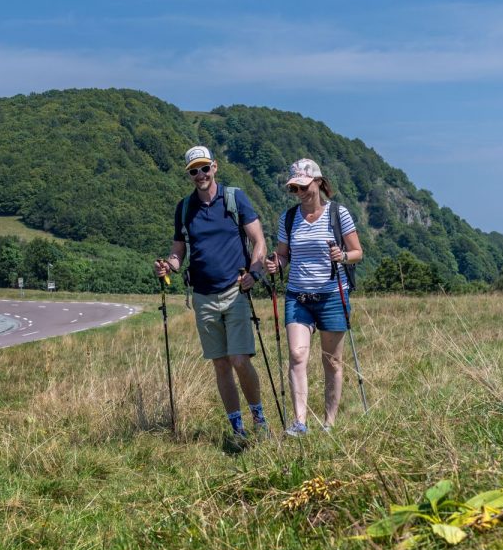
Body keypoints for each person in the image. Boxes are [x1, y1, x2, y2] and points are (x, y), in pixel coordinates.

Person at [154, 145, 269, 439]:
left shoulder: (234, 198)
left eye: (204, 168)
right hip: (203, 296)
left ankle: (259, 419)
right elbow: (179, 252)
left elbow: (259, 241)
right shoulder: (184, 208)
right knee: (220, 364)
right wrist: (168, 266)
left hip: (235, 291)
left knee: (240, 360)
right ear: (189, 175)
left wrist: (255, 273)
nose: (200, 175)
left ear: (215, 167)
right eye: (194, 171)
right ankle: (237, 428)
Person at [265, 158, 363, 436]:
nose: (300, 192)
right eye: (294, 188)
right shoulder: (288, 218)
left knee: (332, 362)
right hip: (297, 297)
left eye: (304, 186)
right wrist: (276, 264)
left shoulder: (338, 214)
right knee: (297, 356)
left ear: (319, 183)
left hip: (332, 295)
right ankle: (300, 422)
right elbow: (283, 255)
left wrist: (342, 256)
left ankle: (329, 422)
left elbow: (358, 252)